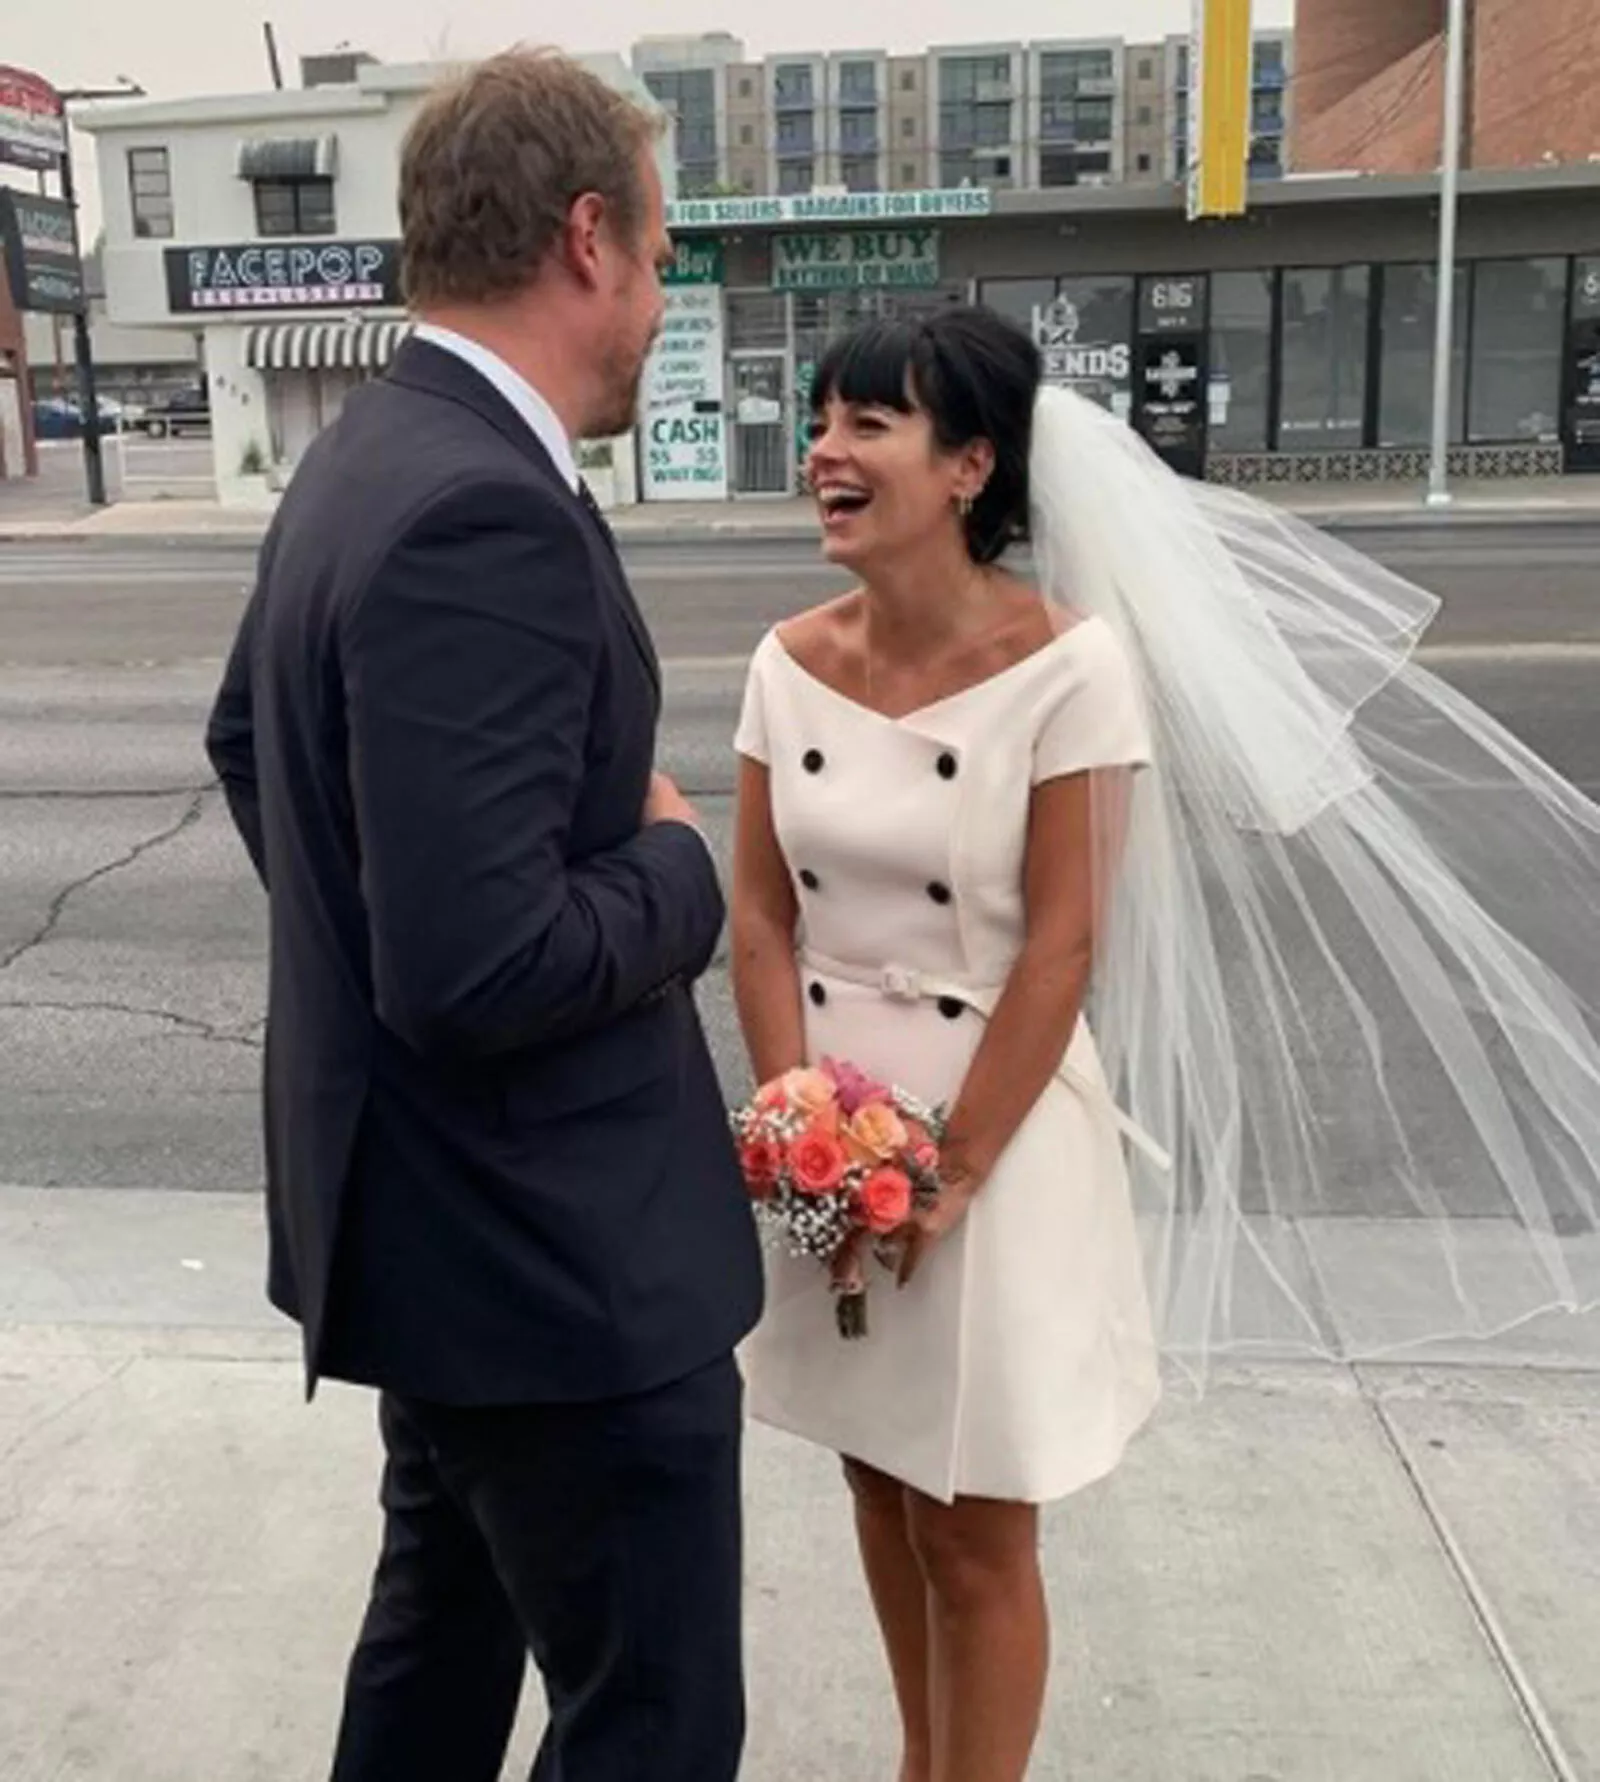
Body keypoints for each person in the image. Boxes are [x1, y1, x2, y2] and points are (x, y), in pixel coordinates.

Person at [730, 303, 1600, 1782]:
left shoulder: (1070, 667)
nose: (824, 452)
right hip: (831, 1139)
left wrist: (953, 1170)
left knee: (975, 1521)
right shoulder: (785, 659)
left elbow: (1065, 943)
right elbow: (759, 914)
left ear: (969, 466)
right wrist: (793, 1119)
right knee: (878, 1478)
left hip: (988, 1135)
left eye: (868, 424)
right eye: (820, 421)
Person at [205, 49, 762, 1782]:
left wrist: (382, 920)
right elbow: (478, 964)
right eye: (658, 255)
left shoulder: (369, 451)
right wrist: (680, 871)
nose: (659, 299)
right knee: (651, 1724)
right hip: (558, 1269)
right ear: (588, 238)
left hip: (445, 1244)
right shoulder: (481, 508)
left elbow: (245, 744)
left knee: (437, 1663)